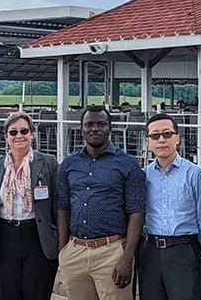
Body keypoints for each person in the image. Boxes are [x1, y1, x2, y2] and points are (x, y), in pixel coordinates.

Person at [57, 105, 146, 300]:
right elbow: (63, 207)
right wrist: (63, 251)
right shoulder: (69, 164)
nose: (95, 129)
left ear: (110, 128)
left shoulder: (127, 164)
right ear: (81, 128)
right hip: (75, 251)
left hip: (111, 252)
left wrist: (127, 257)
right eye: (89, 124)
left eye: (101, 124)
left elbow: (137, 212)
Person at [0, 112, 59, 300]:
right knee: (6, 293)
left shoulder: (48, 163)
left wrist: (60, 242)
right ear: (6, 137)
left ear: (32, 134)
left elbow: (58, 206)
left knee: (37, 293)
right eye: (13, 132)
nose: (19, 136)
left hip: (37, 237)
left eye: (24, 131)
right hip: (4, 238)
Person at [139, 113, 201, 300]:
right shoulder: (143, 176)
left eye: (167, 134)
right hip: (151, 252)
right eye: (155, 136)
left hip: (184, 251)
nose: (161, 140)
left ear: (177, 138)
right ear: (148, 142)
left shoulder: (195, 175)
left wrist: (195, 250)